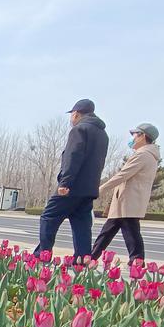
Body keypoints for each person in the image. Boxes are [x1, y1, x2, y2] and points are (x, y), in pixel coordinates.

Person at [34, 99, 109, 260]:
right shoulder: (103, 134)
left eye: (72, 115)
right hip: (89, 188)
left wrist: (65, 182)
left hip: (72, 187)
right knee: (81, 224)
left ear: (76, 114)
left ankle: (43, 255)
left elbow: (73, 156)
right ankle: (82, 260)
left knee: (48, 217)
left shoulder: (80, 129)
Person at [90, 123, 160, 264]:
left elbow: (122, 175)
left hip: (128, 201)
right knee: (108, 232)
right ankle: (91, 258)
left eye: (134, 134)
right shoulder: (149, 155)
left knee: (130, 234)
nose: (132, 138)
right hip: (129, 201)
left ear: (143, 136)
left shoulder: (143, 155)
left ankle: (136, 262)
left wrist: (100, 189)